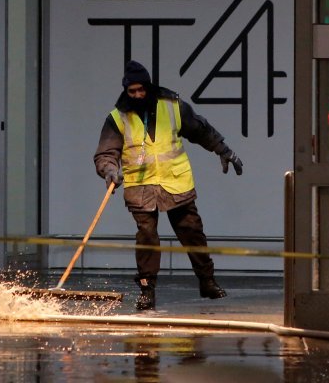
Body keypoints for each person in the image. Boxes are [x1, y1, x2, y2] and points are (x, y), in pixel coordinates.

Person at [94, 60, 243, 311]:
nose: (138, 95)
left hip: (175, 182)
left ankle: (207, 281)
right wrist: (110, 170)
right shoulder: (117, 118)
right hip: (140, 186)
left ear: (149, 86)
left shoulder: (172, 107)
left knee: (192, 231)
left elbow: (200, 130)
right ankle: (147, 290)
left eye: (141, 89)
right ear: (126, 91)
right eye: (133, 91)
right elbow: (105, 153)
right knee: (147, 237)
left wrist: (224, 150)